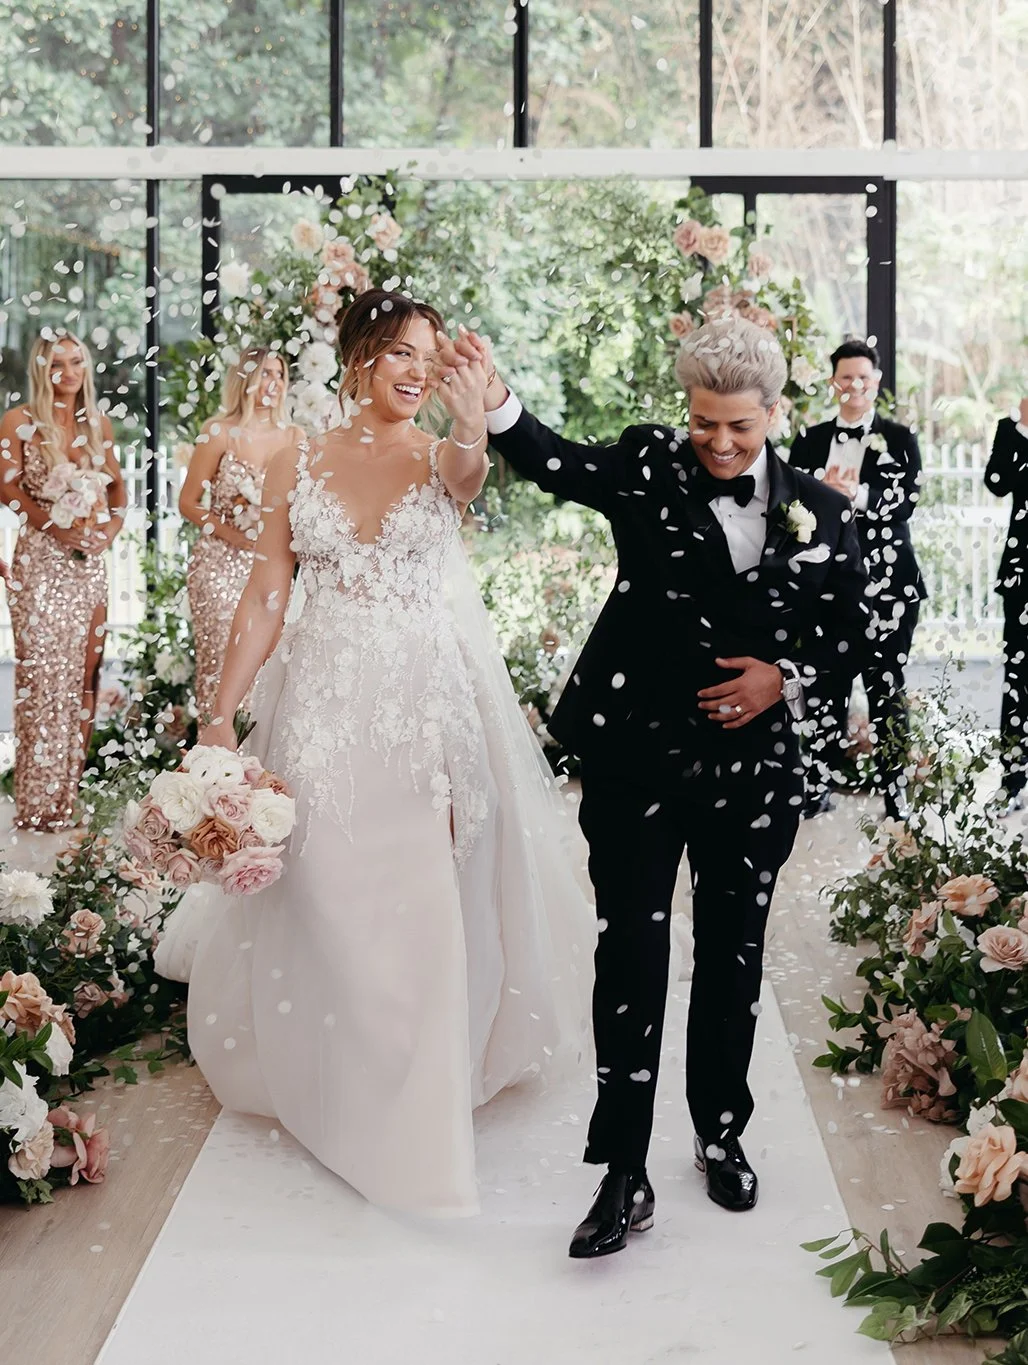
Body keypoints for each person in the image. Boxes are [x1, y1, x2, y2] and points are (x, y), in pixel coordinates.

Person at [435, 317, 870, 1257]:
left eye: (740, 429)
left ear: (775, 414)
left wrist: (779, 679)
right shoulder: (646, 466)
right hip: (637, 757)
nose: (718, 443)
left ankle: (721, 1133)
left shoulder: (825, 516)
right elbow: (554, 463)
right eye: (704, 422)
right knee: (629, 958)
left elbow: (847, 637)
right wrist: (496, 394)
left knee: (732, 955)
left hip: (755, 773)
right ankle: (622, 1170)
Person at [182, 291, 593, 1216]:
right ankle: (344, 1082)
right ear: (358, 356)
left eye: (430, 356)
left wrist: (471, 418)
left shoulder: (438, 456)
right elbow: (264, 595)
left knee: (421, 906)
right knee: (326, 893)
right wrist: (218, 714)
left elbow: (467, 471)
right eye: (400, 353)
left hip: (421, 713)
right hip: (324, 706)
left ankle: (420, 1125)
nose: (415, 370)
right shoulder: (297, 455)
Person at [789, 339, 925, 820]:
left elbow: (908, 500)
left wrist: (859, 494)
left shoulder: (900, 438)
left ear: (876, 381)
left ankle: (896, 791)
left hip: (890, 582)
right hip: (827, 584)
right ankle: (817, 784)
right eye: (846, 377)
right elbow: (789, 504)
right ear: (833, 382)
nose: (854, 386)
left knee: (886, 685)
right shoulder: (808, 440)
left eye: (863, 377)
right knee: (825, 685)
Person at [0, 330, 126, 831]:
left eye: (77, 362)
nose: (69, 372)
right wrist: (54, 524)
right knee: (41, 680)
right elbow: (5, 488)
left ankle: (67, 798)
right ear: (40, 368)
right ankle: (35, 801)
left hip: (88, 565)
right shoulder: (19, 422)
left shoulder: (96, 425)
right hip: (40, 563)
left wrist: (110, 530)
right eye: (58, 363)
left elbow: (119, 489)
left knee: (83, 679)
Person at [179, 346, 303, 718]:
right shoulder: (219, 432)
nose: (274, 382)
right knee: (221, 664)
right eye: (265, 373)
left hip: (273, 568)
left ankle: (263, 770)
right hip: (219, 565)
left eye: (280, 374)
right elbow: (188, 502)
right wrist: (231, 533)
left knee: (272, 667)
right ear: (245, 379)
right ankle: (216, 768)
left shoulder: (295, 436)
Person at [985, 398, 1028, 816]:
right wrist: (1023, 431)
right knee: (1018, 677)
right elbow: (997, 482)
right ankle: (1012, 778)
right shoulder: (1010, 428)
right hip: (1023, 573)